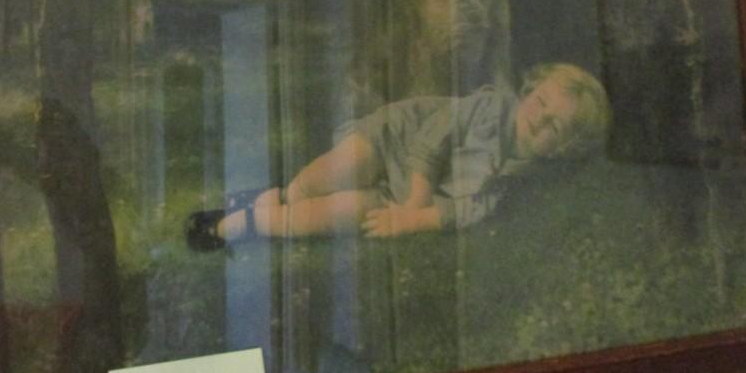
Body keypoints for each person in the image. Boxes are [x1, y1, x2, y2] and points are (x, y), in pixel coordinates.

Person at [186, 63, 611, 248]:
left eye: (555, 126)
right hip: (394, 140)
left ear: (563, 148)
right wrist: (418, 198)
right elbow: (433, 138)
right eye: (540, 102)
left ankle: (236, 226)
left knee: (330, 215)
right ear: (529, 91)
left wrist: (411, 219)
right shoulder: (490, 108)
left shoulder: (513, 175)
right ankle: (279, 197)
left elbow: (464, 210)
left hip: (399, 196)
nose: (539, 119)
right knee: (326, 177)